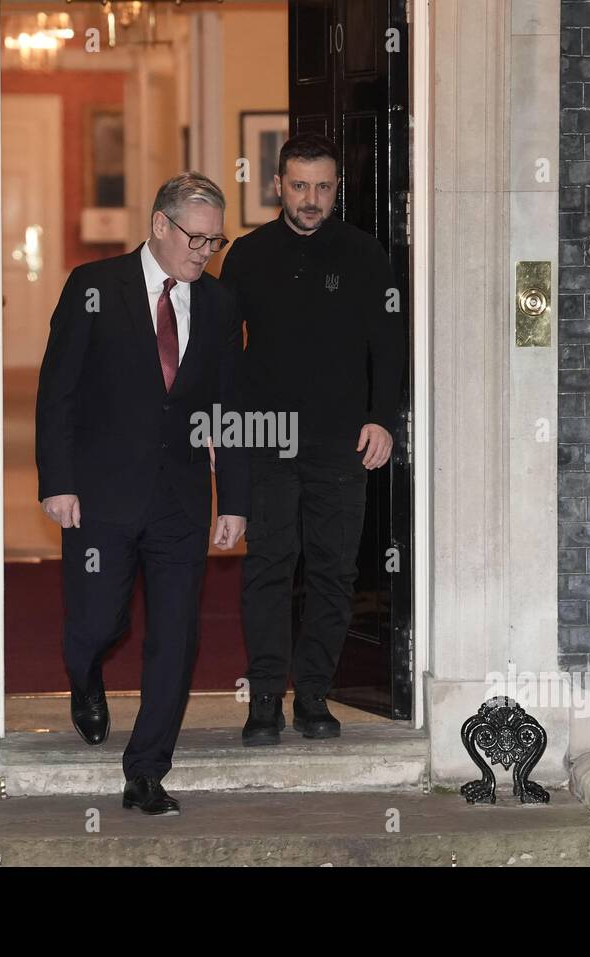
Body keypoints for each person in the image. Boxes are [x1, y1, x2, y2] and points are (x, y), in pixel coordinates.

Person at [35, 172, 249, 814]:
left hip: (180, 501)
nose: (204, 252)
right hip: (99, 496)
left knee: (176, 636)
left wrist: (233, 498)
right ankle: (84, 673)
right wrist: (59, 482)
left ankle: (147, 770)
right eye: (195, 237)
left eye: (215, 242)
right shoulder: (93, 288)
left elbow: (229, 405)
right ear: (159, 224)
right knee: (100, 621)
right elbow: (58, 393)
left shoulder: (217, 305)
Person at [219, 133, 405, 746]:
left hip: (339, 442)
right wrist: (226, 430)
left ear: (336, 189)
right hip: (266, 439)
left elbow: (388, 344)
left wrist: (383, 418)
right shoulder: (246, 257)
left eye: (323, 187)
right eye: (299, 185)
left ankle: (316, 696)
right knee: (268, 568)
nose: (311, 198)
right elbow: (224, 358)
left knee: (333, 572)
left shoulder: (365, 254)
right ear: (277, 185)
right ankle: (265, 700)